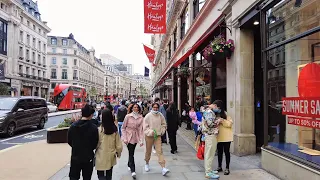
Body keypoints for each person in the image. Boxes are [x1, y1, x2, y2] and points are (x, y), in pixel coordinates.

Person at [68, 104, 99, 180]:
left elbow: (69, 141)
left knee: (74, 177)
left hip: (75, 155)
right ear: (91, 115)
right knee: (87, 177)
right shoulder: (94, 128)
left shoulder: (73, 126)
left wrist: (76, 146)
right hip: (88, 157)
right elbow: (95, 143)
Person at [95, 109, 123, 180]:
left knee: (100, 174)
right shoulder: (114, 129)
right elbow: (118, 144)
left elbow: (96, 143)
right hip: (111, 154)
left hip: (100, 154)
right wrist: (118, 153)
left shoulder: (100, 129)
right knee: (109, 174)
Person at [143, 103, 170, 176]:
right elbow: (145, 127)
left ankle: (163, 167)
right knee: (148, 151)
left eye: (156, 107)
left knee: (159, 151)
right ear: (152, 108)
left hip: (157, 136)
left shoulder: (160, 115)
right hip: (149, 136)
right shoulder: (148, 116)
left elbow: (164, 124)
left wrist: (162, 131)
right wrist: (150, 131)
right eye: (154, 107)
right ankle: (147, 163)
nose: (155, 109)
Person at [121, 103, 144, 179]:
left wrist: (141, 140)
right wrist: (124, 138)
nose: (136, 108)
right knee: (131, 153)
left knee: (132, 152)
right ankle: (133, 170)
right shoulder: (128, 116)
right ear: (132, 108)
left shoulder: (141, 117)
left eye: (137, 107)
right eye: (134, 107)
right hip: (128, 136)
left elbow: (141, 130)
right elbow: (123, 128)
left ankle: (129, 163)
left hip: (135, 136)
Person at [212, 100, 233, 175]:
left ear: (219, 107)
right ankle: (219, 166)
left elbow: (230, 124)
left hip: (227, 137)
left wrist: (222, 121)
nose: (214, 108)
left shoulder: (226, 114)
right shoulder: (214, 114)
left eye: (215, 106)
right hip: (219, 137)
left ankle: (227, 168)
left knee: (227, 152)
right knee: (219, 152)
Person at [201, 105, 222, 179]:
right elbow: (210, 124)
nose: (217, 108)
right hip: (210, 134)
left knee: (210, 153)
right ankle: (208, 172)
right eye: (217, 107)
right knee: (209, 153)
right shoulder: (209, 112)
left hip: (209, 135)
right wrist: (218, 121)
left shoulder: (208, 112)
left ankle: (209, 169)